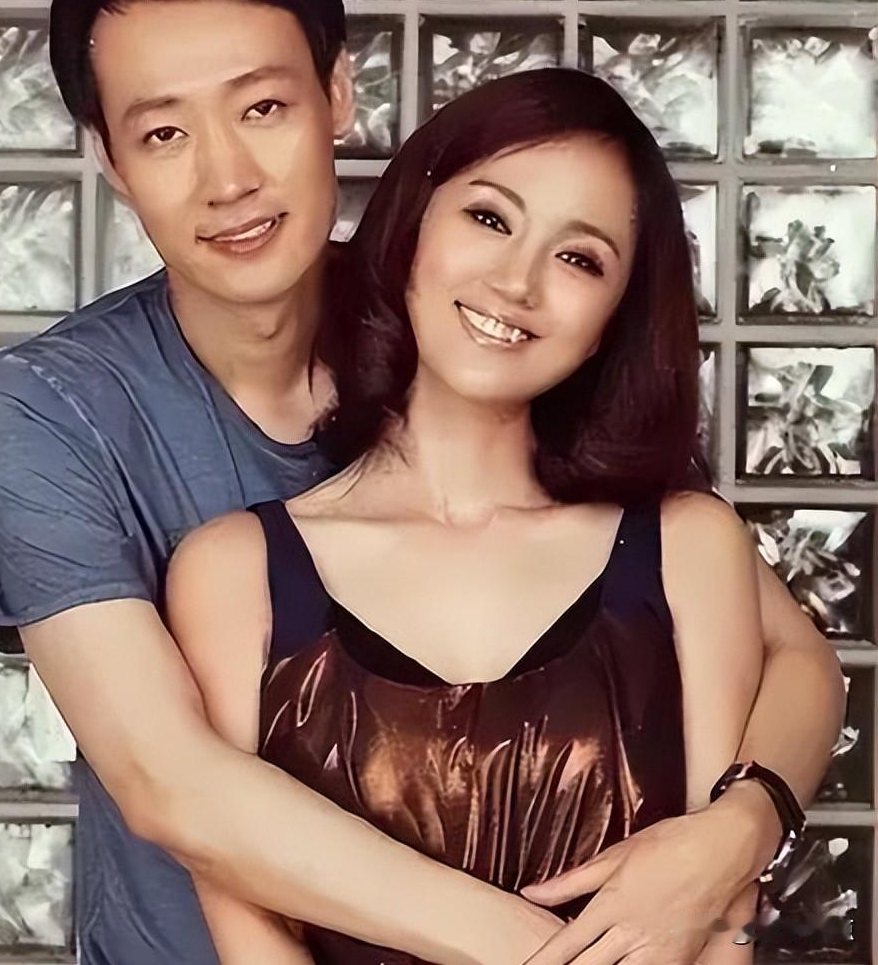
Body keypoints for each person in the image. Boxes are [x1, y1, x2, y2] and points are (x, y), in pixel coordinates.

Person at [0, 0, 844, 963]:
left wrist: (736, 832)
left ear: (338, 94)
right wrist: (567, 952)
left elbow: (792, 654)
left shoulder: (467, 314)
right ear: (109, 158)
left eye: (262, 107)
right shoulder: (46, 407)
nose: (227, 178)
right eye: (162, 133)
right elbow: (172, 785)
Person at [162, 67, 819, 965]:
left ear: (614, 318)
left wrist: (747, 827)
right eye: (490, 218)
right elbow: (250, 931)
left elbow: (715, 926)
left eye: (579, 259)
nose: (517, 282)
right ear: (412, 229)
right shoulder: (233, 570)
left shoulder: (688, 547)